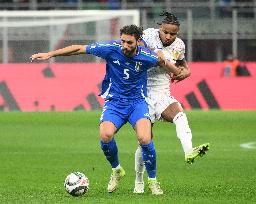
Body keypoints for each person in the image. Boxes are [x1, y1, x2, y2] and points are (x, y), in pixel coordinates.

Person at [30, 24, 183, 195]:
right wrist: (50, 54)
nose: (125, 46)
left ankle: (153, 181)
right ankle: (117, 170)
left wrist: (178, 71)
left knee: (145, 138)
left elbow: (165, 63)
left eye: (129, 43)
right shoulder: (111, 48)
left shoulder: (148, 56)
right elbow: (79, 48)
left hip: (137, 103)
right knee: (105, 135)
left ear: (139, 41)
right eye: (123, 41)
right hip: (115, 103)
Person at [133, 12, 210, 194]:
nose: (168, 36)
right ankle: (139, 180)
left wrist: (186, 72)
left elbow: (182, 64)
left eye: (172, 34)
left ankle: (189, 150)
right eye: (166, 32)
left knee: (180, 115)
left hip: (162, 93)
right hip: (142, 94)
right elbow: (159, 58)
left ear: (177, 33)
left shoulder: (179, 45)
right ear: (160, 28)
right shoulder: (148, 35)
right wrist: (177, 70)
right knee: (145, 141)